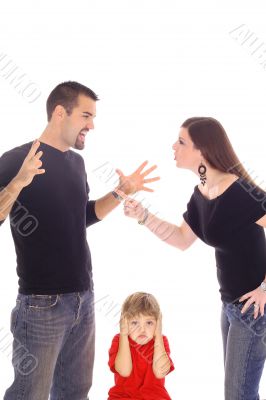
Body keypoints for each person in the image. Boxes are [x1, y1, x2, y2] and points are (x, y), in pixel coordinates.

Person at [0, 81, 160, 400]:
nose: (92, 125)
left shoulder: (77, 163)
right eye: (86, 115)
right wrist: (18, 182)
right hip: (42, 305)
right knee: (30, 393)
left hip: (83, 300)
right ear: (61, 112)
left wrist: (120, 193)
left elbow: (81, 216)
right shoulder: (16, 158)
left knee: (75, 392)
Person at [123, 117, 266, 400]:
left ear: (201, 150)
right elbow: (181, 239)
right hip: (230, 306)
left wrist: (264, 288)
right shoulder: (201, 193)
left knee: (239, 395)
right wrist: (144, 217)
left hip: (254, 310)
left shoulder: (240, 192)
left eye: (181, 141)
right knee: (238, 393)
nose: (173, 146)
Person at [108, 292, 174, 400]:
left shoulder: (161, 341)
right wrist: (124, 334)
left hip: (155, 397)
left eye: (149, 323)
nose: (142, 329)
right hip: (123, 396)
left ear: (157, 324)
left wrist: (158, 335)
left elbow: (160, 372)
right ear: (125, 323)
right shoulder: (119, 340)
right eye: (134, 323)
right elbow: (124, 371)